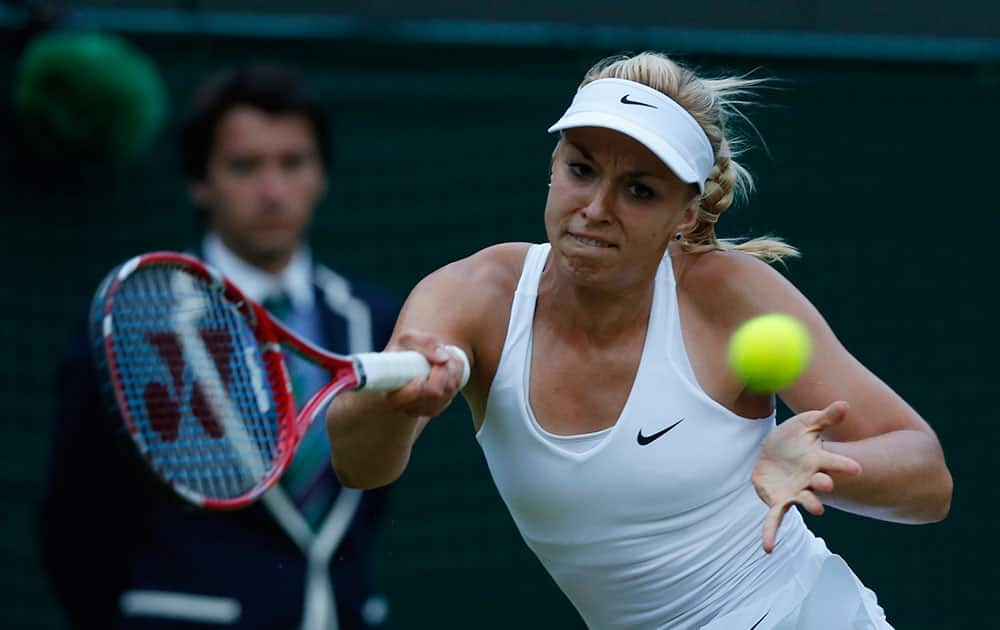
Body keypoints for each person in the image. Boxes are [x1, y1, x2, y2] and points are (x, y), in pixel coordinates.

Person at [325, 52, 953, 629]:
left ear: (685, 213)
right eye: (580, 169)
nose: (596, 207)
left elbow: (928, 479)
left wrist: (826, 469)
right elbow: (361, 465)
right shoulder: (473, 295)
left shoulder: (731, 296)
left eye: (639, 190)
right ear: (552, 166)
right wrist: (395, 402)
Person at [40, 64, 399, 629]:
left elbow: (370, 495)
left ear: (321, 175)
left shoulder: (373, 319)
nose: (273, 190)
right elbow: (76, 521)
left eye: (293, 163)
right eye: (245, 166)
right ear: (199, 182)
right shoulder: (134, 321)